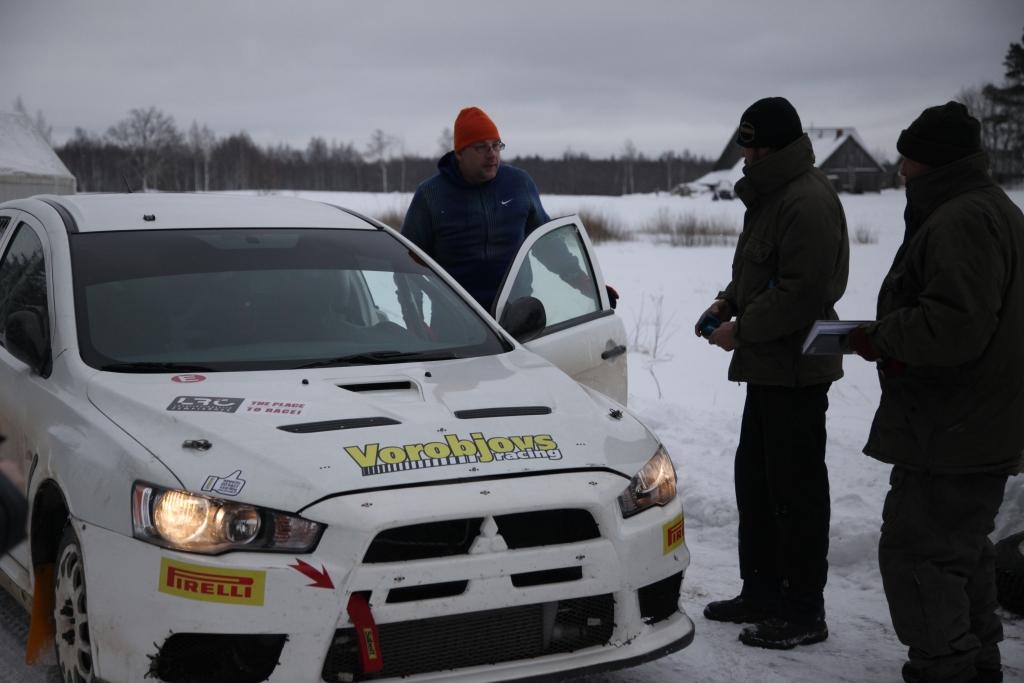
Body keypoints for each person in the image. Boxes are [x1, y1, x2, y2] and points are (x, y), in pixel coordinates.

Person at [846, 102, 1024, 683]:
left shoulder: (960, 220)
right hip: (979, 420)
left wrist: (880, 335)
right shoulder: (993, 209)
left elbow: (955, 327)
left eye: (909, 156)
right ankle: (977, 665)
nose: (900, 168)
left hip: (954, 427)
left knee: (919, 555)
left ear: (935, 162)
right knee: (962, 552)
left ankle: (946, 668)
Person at [695, 96, 849, 649]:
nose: (746, 155)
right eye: (744, 145)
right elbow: (759, 274)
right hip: (767, 370)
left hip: (797, 372)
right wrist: (724, 302)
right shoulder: (771, 197)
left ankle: (803, 609)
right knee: (757, 485)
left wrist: (743, 329)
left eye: (753, 145)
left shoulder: (806, 201)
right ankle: (761, 591)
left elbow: (804, 291)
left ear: (776, 146)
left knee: (795, 492)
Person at [401, 107, 554, 311]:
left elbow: (549, 244)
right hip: (455, 323)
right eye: (481, 147)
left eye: (496, 145)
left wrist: (587, 285)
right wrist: (416, 324)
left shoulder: (519, 185)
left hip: (516, 318)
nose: (492, 154)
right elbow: (408, 268)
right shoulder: (431, 195)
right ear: (459, 153)